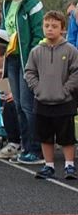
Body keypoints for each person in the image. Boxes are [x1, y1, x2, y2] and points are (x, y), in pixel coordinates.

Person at [24, 10, 78, 180]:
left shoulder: (71, 50)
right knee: (45, 136)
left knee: (67, 137)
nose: (50, 29)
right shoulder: (36, 51)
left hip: (64, 102)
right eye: (47, 26)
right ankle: (49, 166)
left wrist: (66, 90)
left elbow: (76, 72)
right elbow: (29, 72)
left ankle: (69, 166)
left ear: (62, 29)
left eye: (54, 26)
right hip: (42, 101)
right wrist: (37, 89)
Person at [1, 0, 44, 165]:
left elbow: (38, 33)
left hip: (27, 60)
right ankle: (25, 146)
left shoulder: (33, 4)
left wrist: (32, 58)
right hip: (11, 59)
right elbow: (3, 31)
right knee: (17, 104)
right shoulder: (5, 5)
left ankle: (36, 149)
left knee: (28, 105)